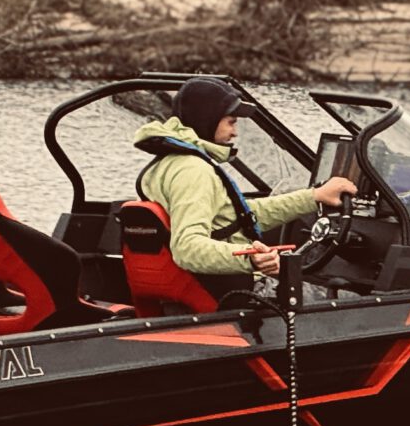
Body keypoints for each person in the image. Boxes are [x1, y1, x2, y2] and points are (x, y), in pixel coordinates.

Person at [132, 76, 358, 286]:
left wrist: (314, 197)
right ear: (207, 120)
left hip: (204, 287)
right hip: (238, 293)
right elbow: (187, 248)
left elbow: (240, 215)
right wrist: (250, 259)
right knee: (345, 297)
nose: (235, 133)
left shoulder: (168, 164)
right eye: (231, 122)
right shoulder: (194, 171)